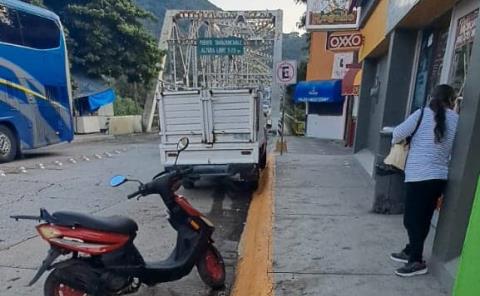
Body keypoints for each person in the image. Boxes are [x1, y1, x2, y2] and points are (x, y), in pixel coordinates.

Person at [390, 84, 459, 277]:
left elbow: (397, 134)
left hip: (419, 176)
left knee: (411, 220)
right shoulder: (457, 120)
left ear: (432, 97)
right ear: (451, 101)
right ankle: (411, 249)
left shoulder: (421, 114)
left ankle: (416, 261)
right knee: (424, 218)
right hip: (439, 177)